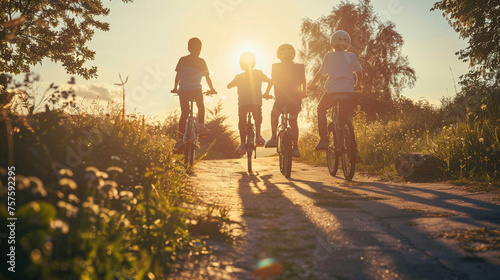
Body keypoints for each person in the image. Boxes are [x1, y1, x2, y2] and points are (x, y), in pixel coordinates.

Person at [307, 30, 363, 154]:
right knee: (343, 122)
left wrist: (312, 84)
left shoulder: (328, 56)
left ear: (332, 44)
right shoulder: (351, 56)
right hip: (348, 92)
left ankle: (324, 139)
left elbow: (320, 73)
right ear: (347, 44)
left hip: (332, 92)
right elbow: (359, 72)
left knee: (321, 109)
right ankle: (354, 151)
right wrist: (357, 84)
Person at [172, 37, 216, 152]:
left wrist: (175, 88)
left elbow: (178, 76)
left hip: (184, 90)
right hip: (196, 89)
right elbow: (207, 77)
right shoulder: (201, 61)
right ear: (200, 49)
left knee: (184, 113)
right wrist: (212, 89)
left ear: (188, 48)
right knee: (200, 105)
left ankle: (179, 139)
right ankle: (201, 125)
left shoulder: (182, 60)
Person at [263, 44, 307, 158]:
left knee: (274, 114)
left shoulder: (276, 66)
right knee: (293, 122)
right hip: (295, 99)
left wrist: (267, 93)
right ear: (293, 56)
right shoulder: (299, 67)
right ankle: (296, 147)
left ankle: (273, 138)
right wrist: (303, 93)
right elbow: (303, 81)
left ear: (279, 56)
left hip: (281, 98)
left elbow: (272, 81)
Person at [228, 51, 271, 155]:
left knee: (242, 122)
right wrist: (266, 93)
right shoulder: (259, 73)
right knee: (257, 118)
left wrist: (234, 83)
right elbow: (271, 81)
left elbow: (228, 85)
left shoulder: (238, 76)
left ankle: (242, 143)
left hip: (243, 103)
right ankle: (258, 136)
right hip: (256, 102)